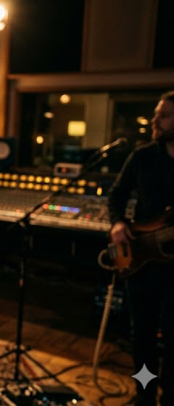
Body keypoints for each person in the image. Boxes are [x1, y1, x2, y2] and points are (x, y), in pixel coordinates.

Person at [108, 91, 174, 406]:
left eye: (164, 116)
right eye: (156, 114)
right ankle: (144, 394)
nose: (155, 121)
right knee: (142, 336)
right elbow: (116, 195)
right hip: (141, 259)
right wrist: (118, 223)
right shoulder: (142, 156)